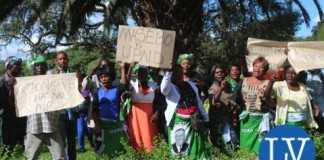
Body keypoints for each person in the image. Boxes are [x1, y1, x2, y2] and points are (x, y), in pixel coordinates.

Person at [161, 53, 209, 159]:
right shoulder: (170, 87)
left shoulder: (192, 85)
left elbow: (199, 103)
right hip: (177, 123)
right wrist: (167, 73)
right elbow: (163, 89)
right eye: (176, 73)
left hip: (193, 121)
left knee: (195, 148)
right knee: (179, 150)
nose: (179, 75)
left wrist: (206, 119)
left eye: (180, 73)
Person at [24, 55, 64, 160]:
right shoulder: (28, 82)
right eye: (37, 65)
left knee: (59, 156)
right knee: (31, 157)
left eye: (42, 65)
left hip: (51, 123)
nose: (39, 68)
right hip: (35, 125)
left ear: (45, 66)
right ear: (34, 67)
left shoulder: (52, 78)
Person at [92, 64, 128, 157]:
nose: (103, 79)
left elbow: (124, 84)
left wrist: (123, 68)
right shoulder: (97, 92)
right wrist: (97, 126)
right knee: (103, 150)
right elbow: (94, 110)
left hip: (115, 124)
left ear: (111, 77)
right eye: (101, 77)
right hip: (102, 126)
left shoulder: (117, 89)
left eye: (106, 76)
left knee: (117, 148)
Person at [239, 57, 273, 153]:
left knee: (261, 148)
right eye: (255, 66)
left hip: (261, 120)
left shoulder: (268, 84)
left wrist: (265, 98)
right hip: (247, 120)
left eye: (261, 67)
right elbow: (236, 98)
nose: (257, 69)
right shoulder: (244, 81)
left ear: (265, 70)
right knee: (246, 148)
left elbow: (271, 102)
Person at [47, 51, 76, 160]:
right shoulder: (51, 74)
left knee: (72, 142)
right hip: (59, 114)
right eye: (60, 59)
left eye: (64, 58)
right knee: (60, 142)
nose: (63, 60)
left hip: (72, 113)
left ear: (68, 60)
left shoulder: (72, 73)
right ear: (56, 61)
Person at [125, 64, 158, 152]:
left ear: (147, 74)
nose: (142, 75)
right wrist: (130, 67)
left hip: (150, 115)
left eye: (144, 72)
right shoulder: (132, 84)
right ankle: (138, 154)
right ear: (136, 74)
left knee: (149, 135)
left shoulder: (153, 84)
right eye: (140, 73)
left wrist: (157, 112)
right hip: (135, 114)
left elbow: (159, 101)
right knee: (136, 135)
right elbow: (125, 80)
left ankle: (150, 154)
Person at [208, 65, 239, 152]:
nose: (220, 74)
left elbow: (230, 99)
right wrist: (221, 88)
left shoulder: (228, 86)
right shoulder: (212, 87)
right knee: (218, 141)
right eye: (217, 73)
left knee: (232, 139)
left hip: (227, 117)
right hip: (216, 119)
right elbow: (213, 102)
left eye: (221, 72)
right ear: (213, 74)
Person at [0, 56, 25, 148]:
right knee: (8, 145)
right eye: (16, 65)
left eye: (19, 65)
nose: (19, 67)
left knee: (22, 143)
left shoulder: (22, 80)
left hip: (21, 117)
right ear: (9, 66)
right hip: (7, 118)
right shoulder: (1, 81)